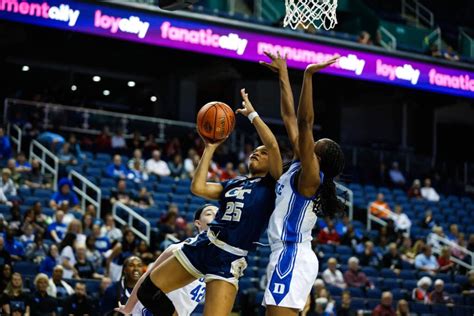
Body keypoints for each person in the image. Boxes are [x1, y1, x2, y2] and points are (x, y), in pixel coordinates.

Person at [134, 88, 283, 316]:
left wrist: (252, 115)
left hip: (229, 257)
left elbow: (273, 146)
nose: (256, 153)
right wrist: (210, 148)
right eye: (254, 151)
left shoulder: (272, 184)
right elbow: (198, 187)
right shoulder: (233, 182)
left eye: (261, 153)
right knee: (148, 292)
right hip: (205, 244)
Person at [260, 53, 344, 315]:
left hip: (292, 254)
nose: (312, 140)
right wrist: (284, 75)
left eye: (317, 143)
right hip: (285, 253)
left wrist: (307, 76)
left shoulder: (310, 178)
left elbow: (305, 123)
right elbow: (289, 117)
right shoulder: (300, 163)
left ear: (319, 157)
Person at [116, 204, 218, 315]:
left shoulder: (220, 260)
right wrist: (127, 309)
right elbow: (146, 279)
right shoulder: (178, 248)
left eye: (218, 214)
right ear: (198, 223)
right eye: (209, 213)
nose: (215, 216)